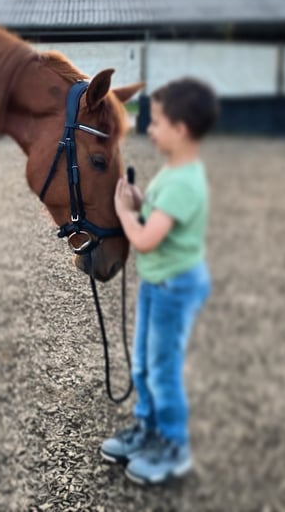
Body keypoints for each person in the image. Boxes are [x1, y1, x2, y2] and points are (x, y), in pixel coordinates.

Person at [101, 77, 218, 484]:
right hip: (158, 286)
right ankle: (148, 429)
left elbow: (146, 239)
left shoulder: (185, 182)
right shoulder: (173, 172)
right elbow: (156, 216)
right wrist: (138, 200)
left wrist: (124, 215)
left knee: (162, 369)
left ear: (181, 130)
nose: (149, 129)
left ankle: (174, 446)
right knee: (145, 365)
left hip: (174, 287)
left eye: (157, 122)